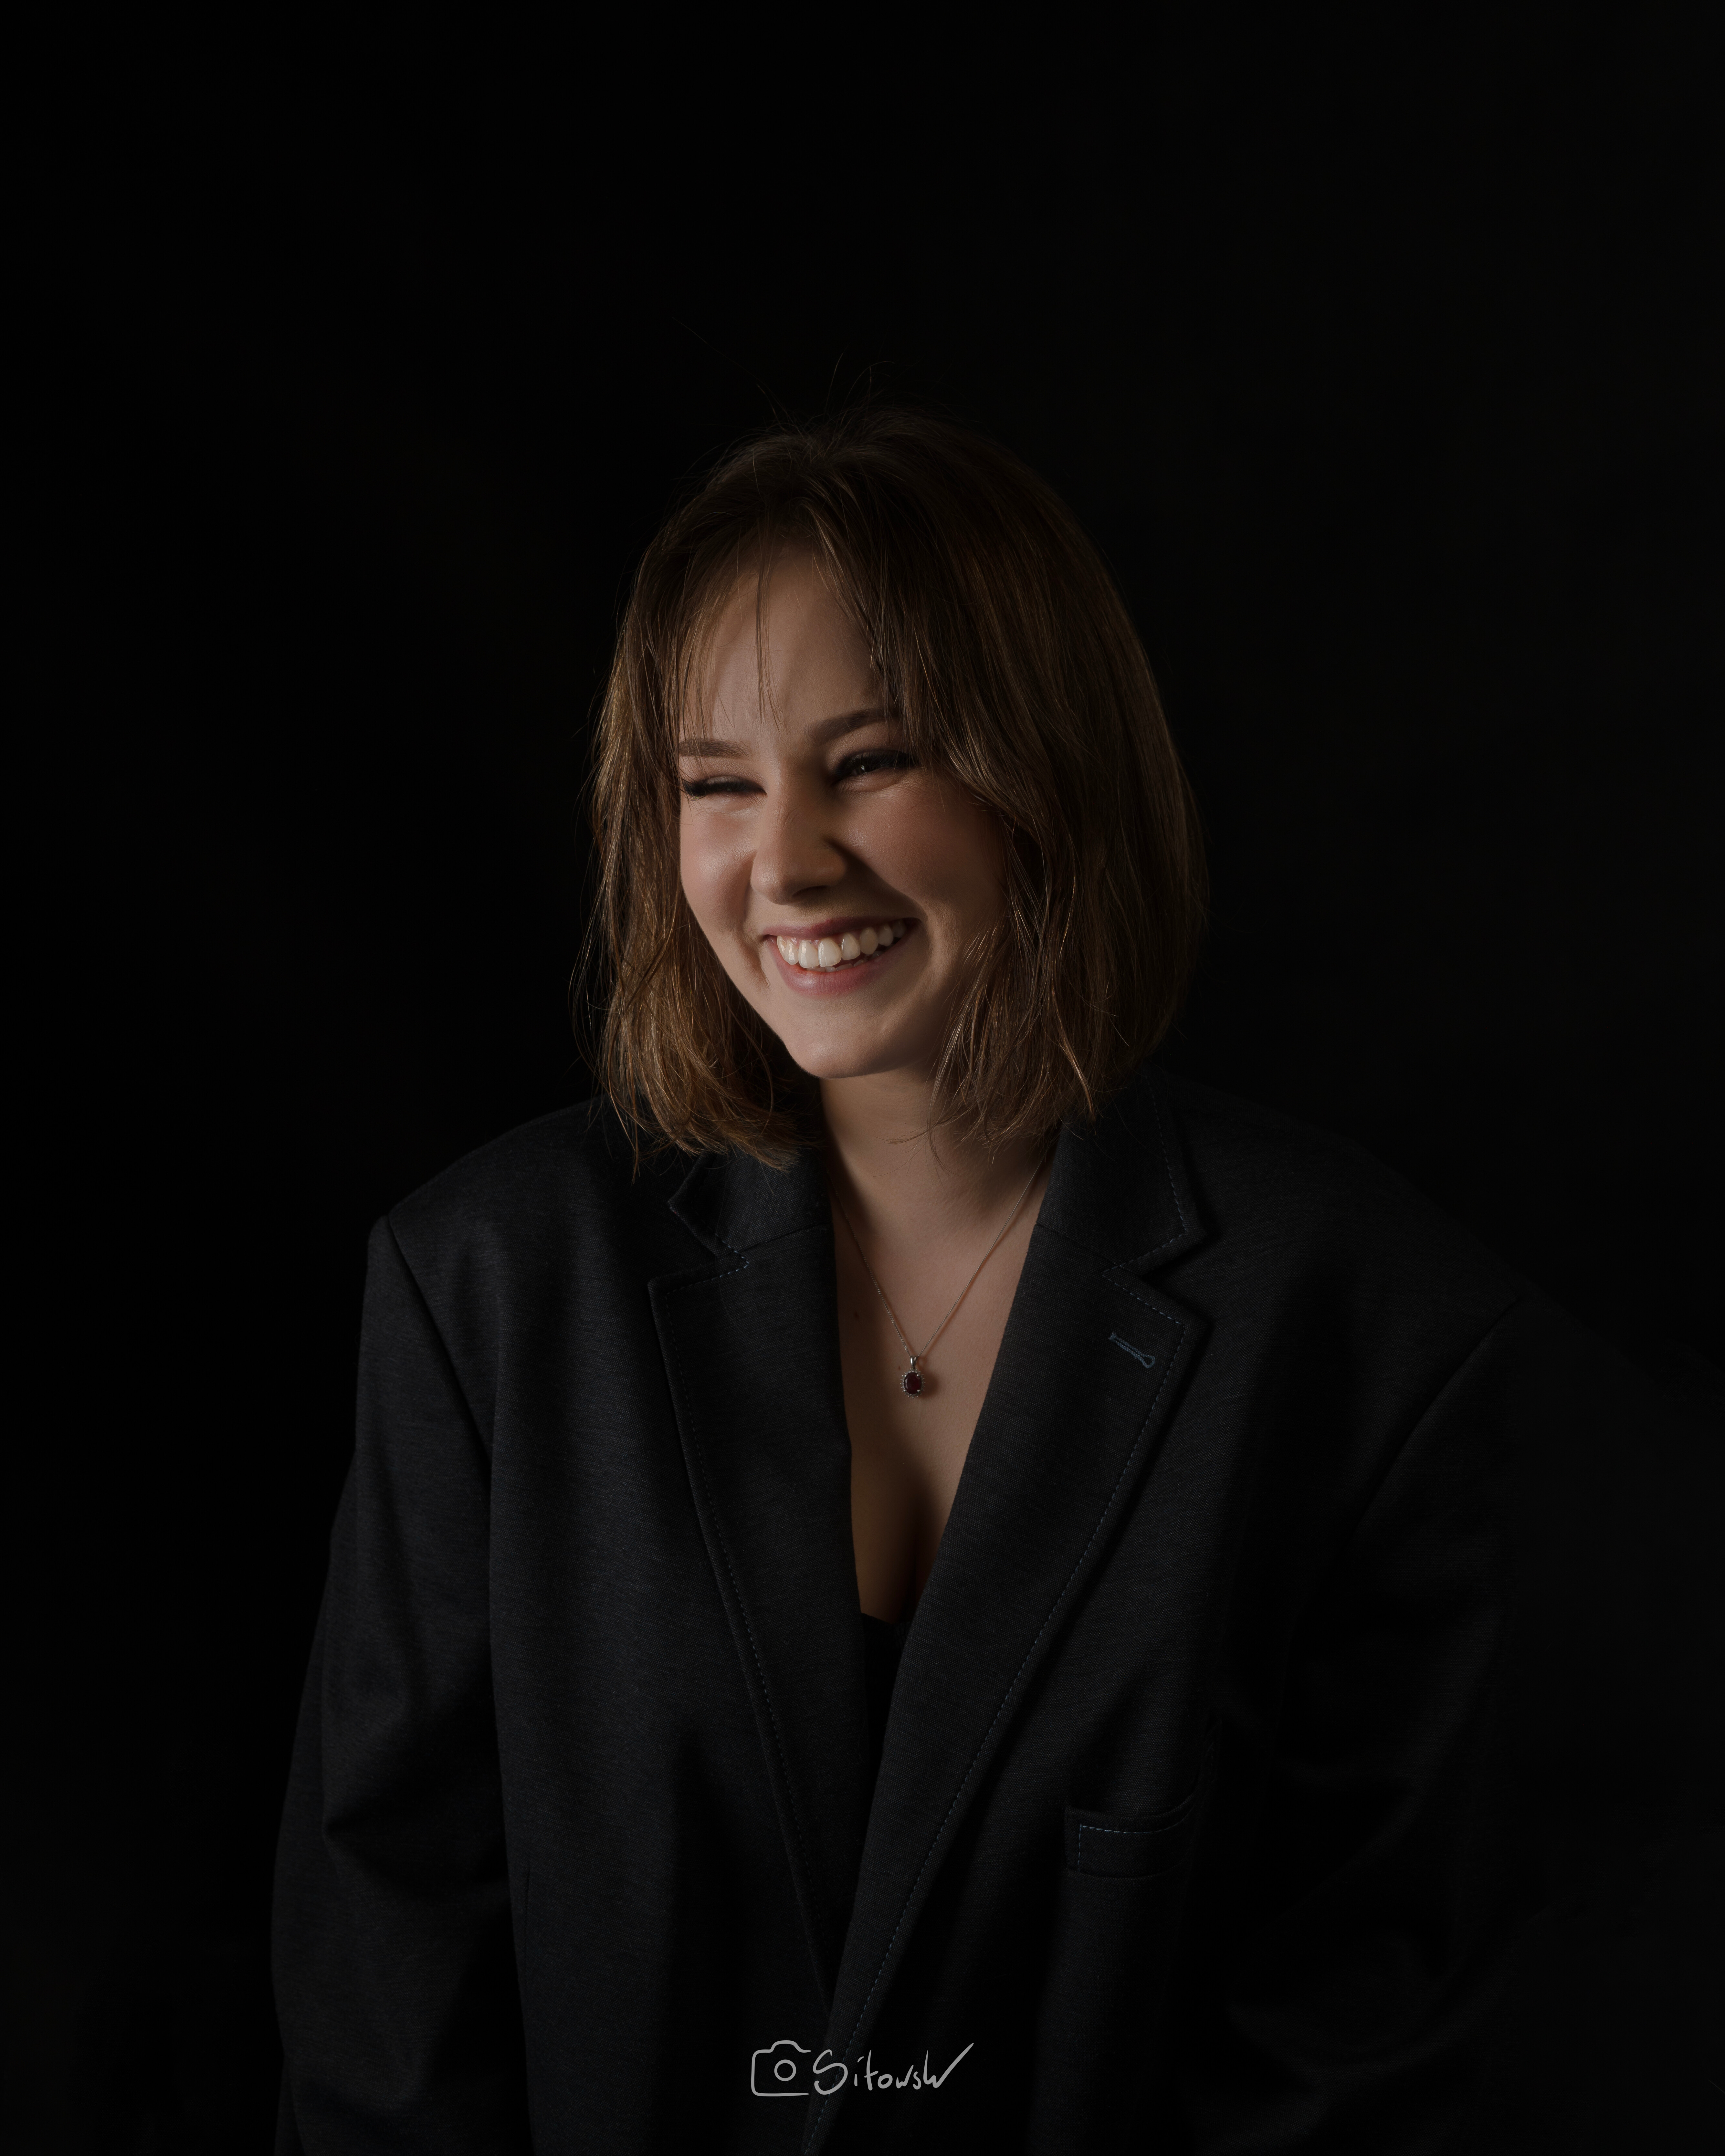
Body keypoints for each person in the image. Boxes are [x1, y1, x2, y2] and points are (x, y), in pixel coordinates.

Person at [272, 410, 1719, 2152]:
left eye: (871, 760)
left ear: (1052, 773)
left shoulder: (1374, 1339)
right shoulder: (486, 1289)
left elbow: (1357, 2056)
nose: (785, 862)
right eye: (715, 782)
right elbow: (390, 2006)